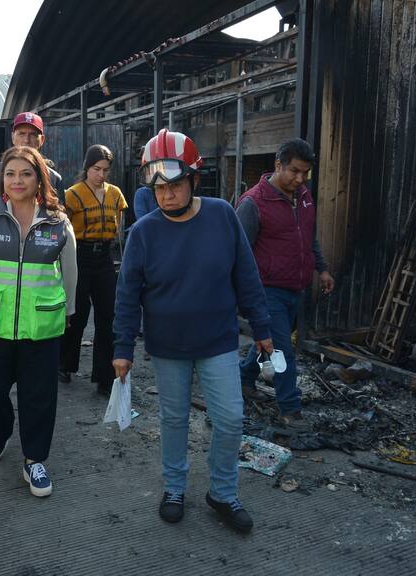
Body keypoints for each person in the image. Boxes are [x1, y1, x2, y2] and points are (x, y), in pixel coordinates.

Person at [113, 129, 273, 531]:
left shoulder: (222, 215)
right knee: (174, 419)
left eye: (176, 185)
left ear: (194, 181)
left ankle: (222, 491)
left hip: (218, 341)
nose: (166, 195)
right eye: (159, 187)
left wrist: (262, 326)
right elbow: (128, 294)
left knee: (231, 418)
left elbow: (247, 275)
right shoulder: (143, 233)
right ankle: (174, 487)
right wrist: (122, 346)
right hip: (168, 346)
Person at [0, 145, 77, 498]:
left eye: (26, 173)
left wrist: (68, 311)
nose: (17, 180)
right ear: (1, 179)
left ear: (39, 178)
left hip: (41, 326)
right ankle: (1, 429)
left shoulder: (58, 222)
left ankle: (34, 460)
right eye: (10, 173)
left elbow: (69, 271)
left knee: (39, 396)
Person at [236, 138, 334, 429]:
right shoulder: (253, 202)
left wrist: (323, 268)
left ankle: (243, 379)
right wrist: (243, 297)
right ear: (277, 165)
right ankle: (290, 408)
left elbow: (307, 237)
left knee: (267, 343)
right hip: (267, 291)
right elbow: (238, 253)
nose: (300, 178)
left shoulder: (303, 196)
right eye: (294, 171)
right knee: (281, 350)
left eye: (305, 173)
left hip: (296, 288)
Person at [59, 144, 127, 395]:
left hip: (105, 257)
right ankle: (65, 364)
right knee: (76, 314)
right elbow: (63, 228)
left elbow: (118, 226)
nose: (101, 174)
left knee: (107, 316)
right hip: (79, 255)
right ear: (87, 168)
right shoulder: (72, 194)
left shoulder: (115, 194)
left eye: (105, 170)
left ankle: (104, 377)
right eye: (96, 169)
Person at [0, 112, 65, 209]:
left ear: (42, 140)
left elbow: (59, 215)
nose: (26, 140)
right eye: (21, 134)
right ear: (13, 137)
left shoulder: (53, 178)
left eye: (33, 134)